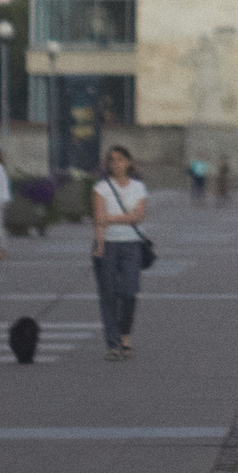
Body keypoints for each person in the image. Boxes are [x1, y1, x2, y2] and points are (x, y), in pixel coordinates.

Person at [92, 146, 148, 360]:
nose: (116, 164)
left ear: (129, 162)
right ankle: (113, 344)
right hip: (108, 244)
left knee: (130, 292)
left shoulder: (138, 187)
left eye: (120, 160)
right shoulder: (101, 187)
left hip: (132, 244)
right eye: (112, 161)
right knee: (108, 295)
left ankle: (125, 334)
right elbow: (99, 219)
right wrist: (99, 244)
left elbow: (139, 216)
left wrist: (110, 218)